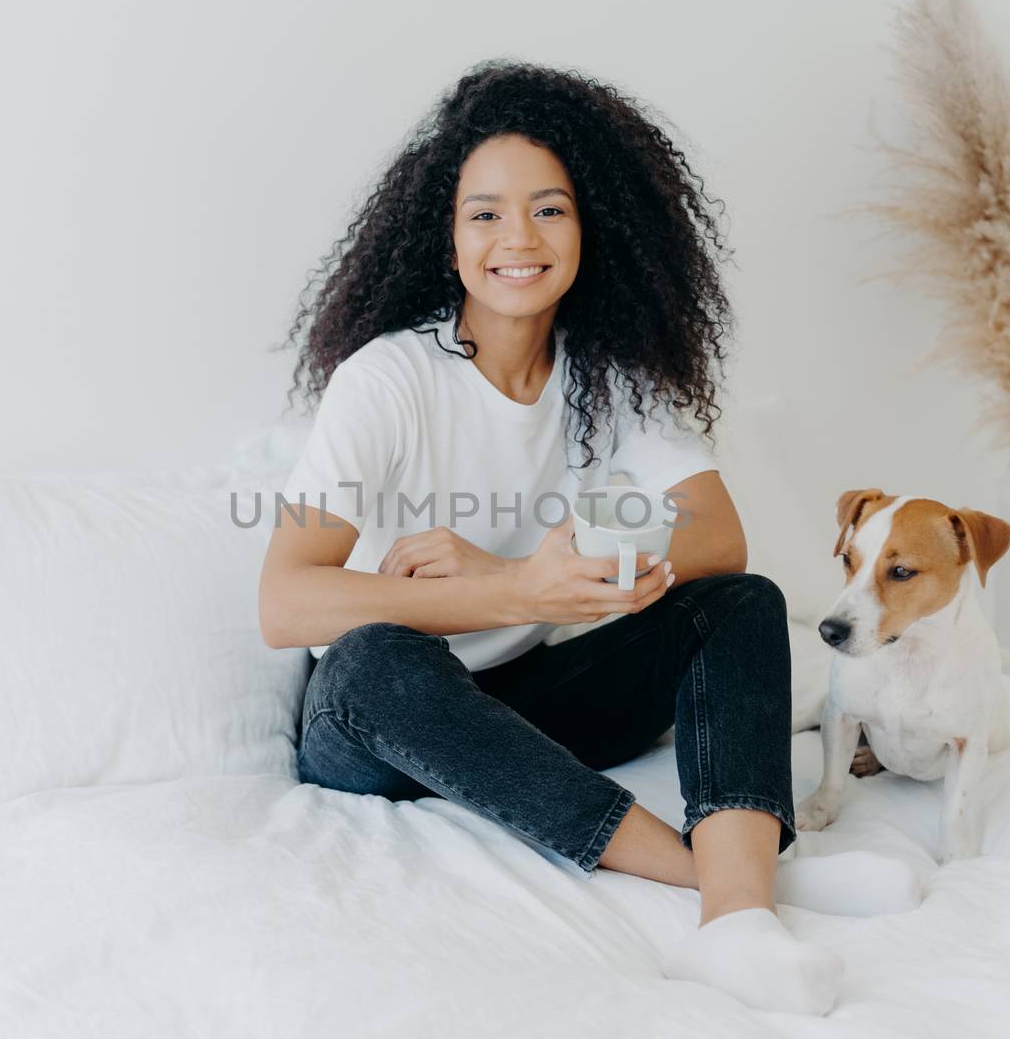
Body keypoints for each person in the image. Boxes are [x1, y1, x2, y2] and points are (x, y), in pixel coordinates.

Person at [258, 60, 843, 1015]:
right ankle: (725, 877)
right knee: (372, 661)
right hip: (380, 725)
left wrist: (536, 574)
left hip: (522, 702)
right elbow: (285, 601)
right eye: (485, 214)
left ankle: (739, 923)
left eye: (549, 210)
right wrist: (515, 591)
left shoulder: (612, 380)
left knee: (741, 605)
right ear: (446, 240)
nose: (517, 239)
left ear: (589, 227)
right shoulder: (388, 379)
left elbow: (718, 536)